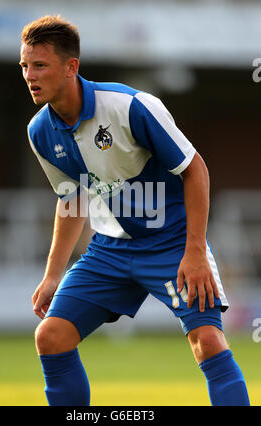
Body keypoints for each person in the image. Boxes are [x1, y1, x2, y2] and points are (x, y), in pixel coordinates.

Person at [19, 15, 250, 406]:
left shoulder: (131, 107)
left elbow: (196, 170)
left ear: (71, 66)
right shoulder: (39, 131)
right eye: (25, 66)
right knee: (51, 336)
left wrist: (194, 252)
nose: (29, 75)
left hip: (172, 244)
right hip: (108, 251)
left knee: (208, 342)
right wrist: (52, 275)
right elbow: (71, 198)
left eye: (40, 65)